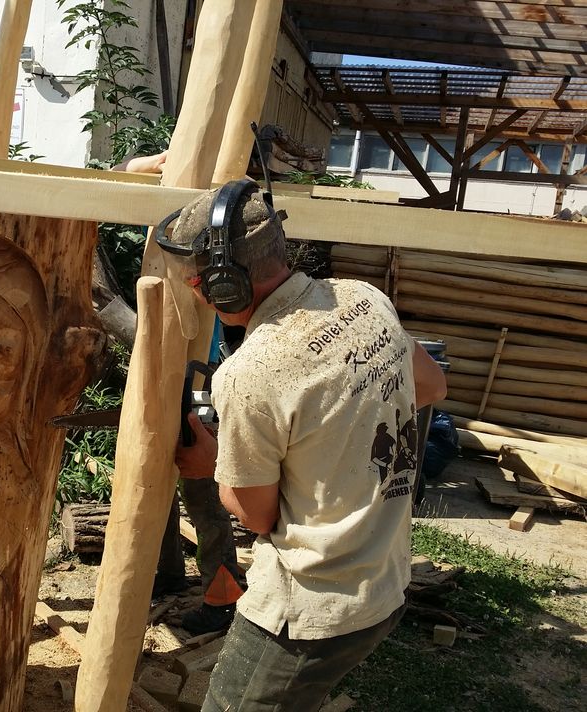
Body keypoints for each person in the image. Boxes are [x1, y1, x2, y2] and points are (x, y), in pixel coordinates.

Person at [167, 181, 447, 711]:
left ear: (222, 285)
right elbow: (431, 385)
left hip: (309, 612)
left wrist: (214, 464)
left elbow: (256, 514)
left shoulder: (250, 372)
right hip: (384, 584)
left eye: (196, 284)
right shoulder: (366, 301)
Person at [113, 150, 247, 634]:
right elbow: (107, 186)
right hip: (163, 383)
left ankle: (222, 596)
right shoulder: (170, 236)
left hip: (206, 390)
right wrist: (138, 167)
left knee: (204, 496)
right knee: (152, 484)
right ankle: (166, 572)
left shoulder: (227, 252)